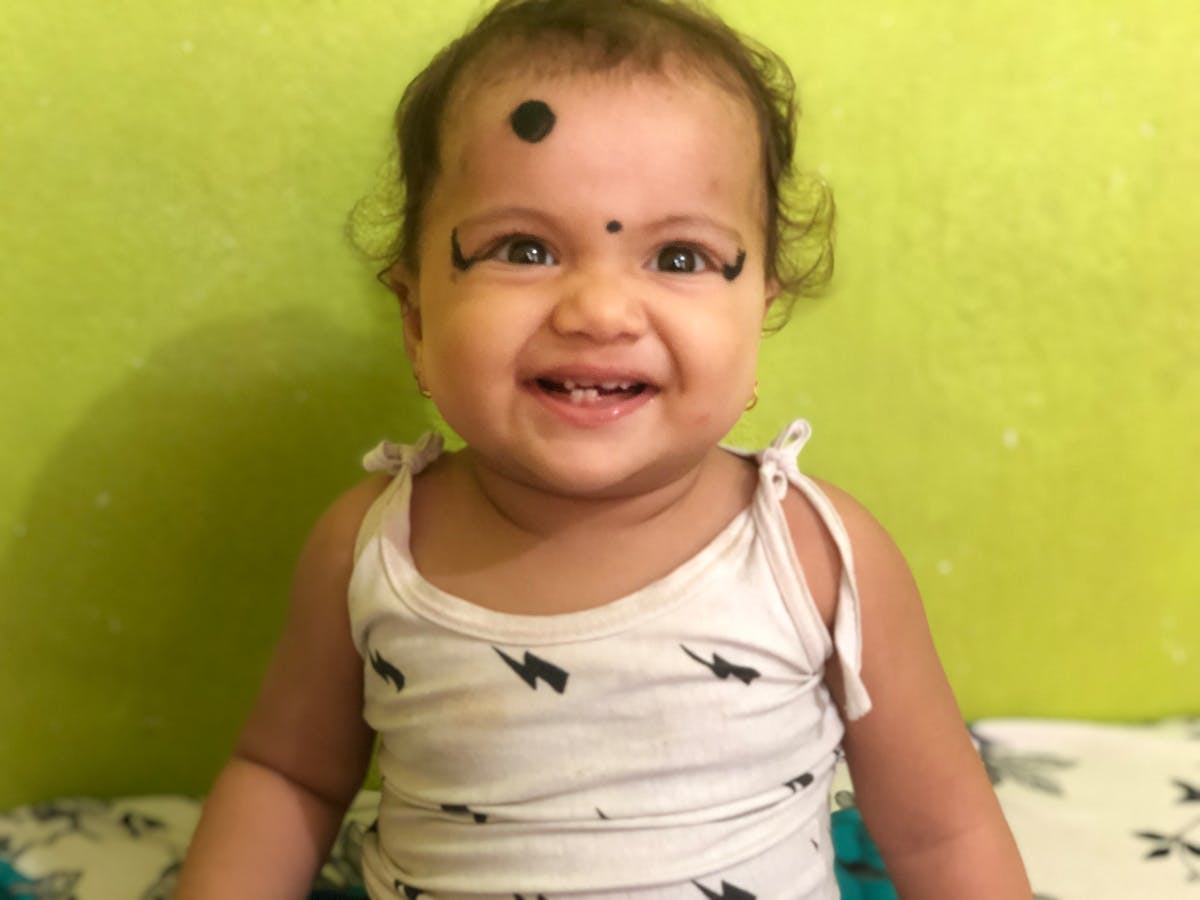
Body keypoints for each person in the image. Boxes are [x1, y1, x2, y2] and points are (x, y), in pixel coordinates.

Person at [176, 1, 1031, 897]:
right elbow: (289, 778)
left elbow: (944, 832)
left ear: (760, 313)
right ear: (418, 320)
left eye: (680, 259)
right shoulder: (374, 550)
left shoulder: (815, 557)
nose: (598, 311)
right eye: (524, 247)